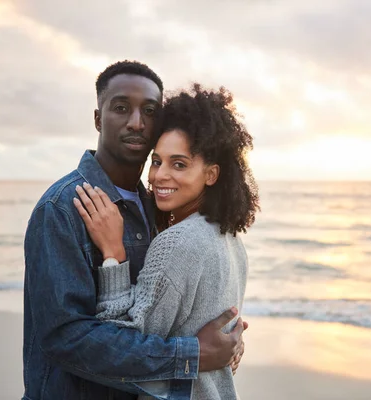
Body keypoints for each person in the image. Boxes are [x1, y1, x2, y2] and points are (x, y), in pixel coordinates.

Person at [23, 61, 246, 400]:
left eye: (150, 111)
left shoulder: (156, 208)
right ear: (98, 118)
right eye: (121, 108)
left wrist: (226, 343)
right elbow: (65, 337)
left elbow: (170, 317)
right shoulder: (64, 207)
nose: (137, 122)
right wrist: (194, 356)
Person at [73, 83, 259, 399]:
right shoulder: (230, 239)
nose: (159, 176)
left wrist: (114, 254)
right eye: (157, 161)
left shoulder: (177, 244)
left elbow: (124, 345)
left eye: (179, 164)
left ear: (211, 174)